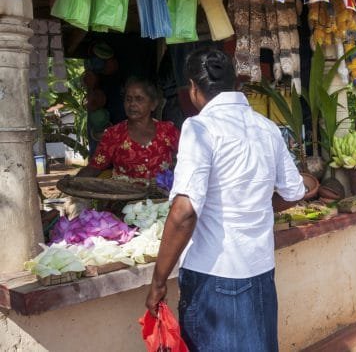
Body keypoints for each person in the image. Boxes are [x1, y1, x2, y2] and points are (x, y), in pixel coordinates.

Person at [145, 48, 305, 351]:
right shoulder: (267, 128)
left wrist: (158, 281)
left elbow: (183, 212)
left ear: (193, 88)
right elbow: (295, 191)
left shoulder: (200, 128)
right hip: (260, 272)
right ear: (235, 84)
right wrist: (258, 205)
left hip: (213, 276)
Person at [78, 77, 180, 184]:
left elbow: (188, 159)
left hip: (162, 199)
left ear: (153, 104)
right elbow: (95, 166)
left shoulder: (168, 130)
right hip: (123, 198)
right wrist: (74, 181)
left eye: (139, 99)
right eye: (128, 99)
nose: (132, 104)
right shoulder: (113, 134)